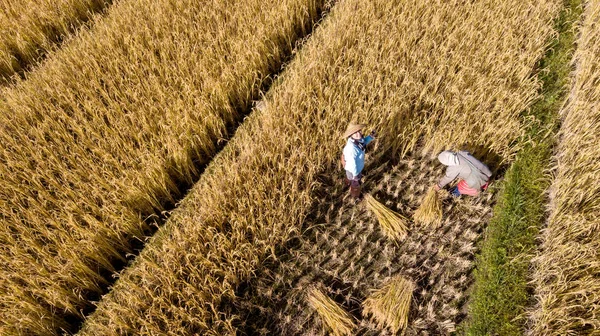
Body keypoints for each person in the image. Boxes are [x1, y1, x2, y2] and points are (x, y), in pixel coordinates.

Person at [341, 123, 376, 200]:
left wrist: (370, 137)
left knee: (349, 177)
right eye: (355, 133)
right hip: (353, 170)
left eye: (359, 131)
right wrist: (356, 175)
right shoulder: (352, 148)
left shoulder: (358, 141)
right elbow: (352, 163)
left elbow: (364, 142)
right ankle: (355, 196)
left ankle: (346, 184)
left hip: (355, 168)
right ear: (351, 135)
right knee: (356, 183)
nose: (358, 133)